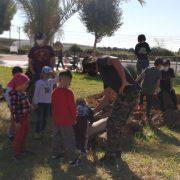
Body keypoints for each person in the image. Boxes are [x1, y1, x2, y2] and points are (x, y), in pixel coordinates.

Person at [87, 56, 140, 167]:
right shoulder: (104, 75)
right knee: (117, 124)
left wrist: (124, 81)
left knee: (113, 124)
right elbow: (106, 99)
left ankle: (110, 156)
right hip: (125, 95)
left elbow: (115, 59)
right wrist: (93, 112)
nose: (95, 72)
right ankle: (116, 153)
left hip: (129, 93)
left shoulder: (100, 61)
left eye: (92, 69)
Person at [51, 70, 80, 167]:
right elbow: (72, 107)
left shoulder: (54, 91)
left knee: (56, 136)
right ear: (69, 81)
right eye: (68, 80)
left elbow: (53, 105)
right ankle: (72, 159)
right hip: (66, 121)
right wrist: (74, 118)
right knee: (69, 139)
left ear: (59, 80)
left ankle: (55, 154)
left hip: (56, 119)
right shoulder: (69, 93)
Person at [27, 32, 55, 101]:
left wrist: (52, 69)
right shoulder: (33, 49)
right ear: (36, 39)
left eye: (40, 38)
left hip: (48, 72)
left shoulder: (49, 48)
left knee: (50, 88)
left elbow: (53, 60)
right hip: (37, 72)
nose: (39, 40)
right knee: (36, 88)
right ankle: (35, 102)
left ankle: (49, 102)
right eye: (38, 39)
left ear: (44, 39)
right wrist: (33, 72)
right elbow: (30, 62)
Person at [9, 73, 31, 161]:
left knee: (24, 134)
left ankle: (23, 150)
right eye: (26, 83)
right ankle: (16, 154)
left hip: (25, 118)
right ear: (19, 84)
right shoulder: (14, 95)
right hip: (19, 119)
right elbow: (14, 110)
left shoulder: (22, 92)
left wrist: (30, 106)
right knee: (18, 136)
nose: (27, 85)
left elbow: (25, 103)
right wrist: (17, 122)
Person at [33, 66, 56, 139]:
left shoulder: (51, 81)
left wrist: (53, 73)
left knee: (45, 118)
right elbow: (36, 93)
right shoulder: (39, 82)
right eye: (46, 73)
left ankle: (42, 132)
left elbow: (59, 78)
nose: (47, 75)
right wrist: (35, 103)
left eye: (49, 74)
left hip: (48, 103)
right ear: (42, 73)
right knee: (39, 118)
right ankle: (37, 132)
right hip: (40, 103)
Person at [4, 66, 23, 141]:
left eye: (20, 74)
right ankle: (10, 133)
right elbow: (6, 94)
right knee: (13, 119)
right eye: (17, 75)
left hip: (18, 104)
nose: (19, 76)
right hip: (13, 105)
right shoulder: (12, 82)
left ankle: (15, 132)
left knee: (17, 118)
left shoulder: (20, 81)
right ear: (13, 75)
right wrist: (11, 105)